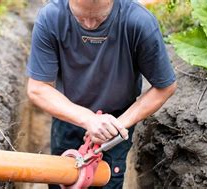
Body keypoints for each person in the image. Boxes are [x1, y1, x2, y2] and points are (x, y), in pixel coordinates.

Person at [26, 0, 177, 188]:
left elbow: (165, 86)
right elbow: (37, 88)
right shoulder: (52, 17)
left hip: (118, 123)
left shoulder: (138, 21)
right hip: (68, 116)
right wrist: (88, 119)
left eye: (98, 18)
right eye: (81, 18)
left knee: (107, 181)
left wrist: (115, 127)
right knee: (62, 180)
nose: (89, 25)